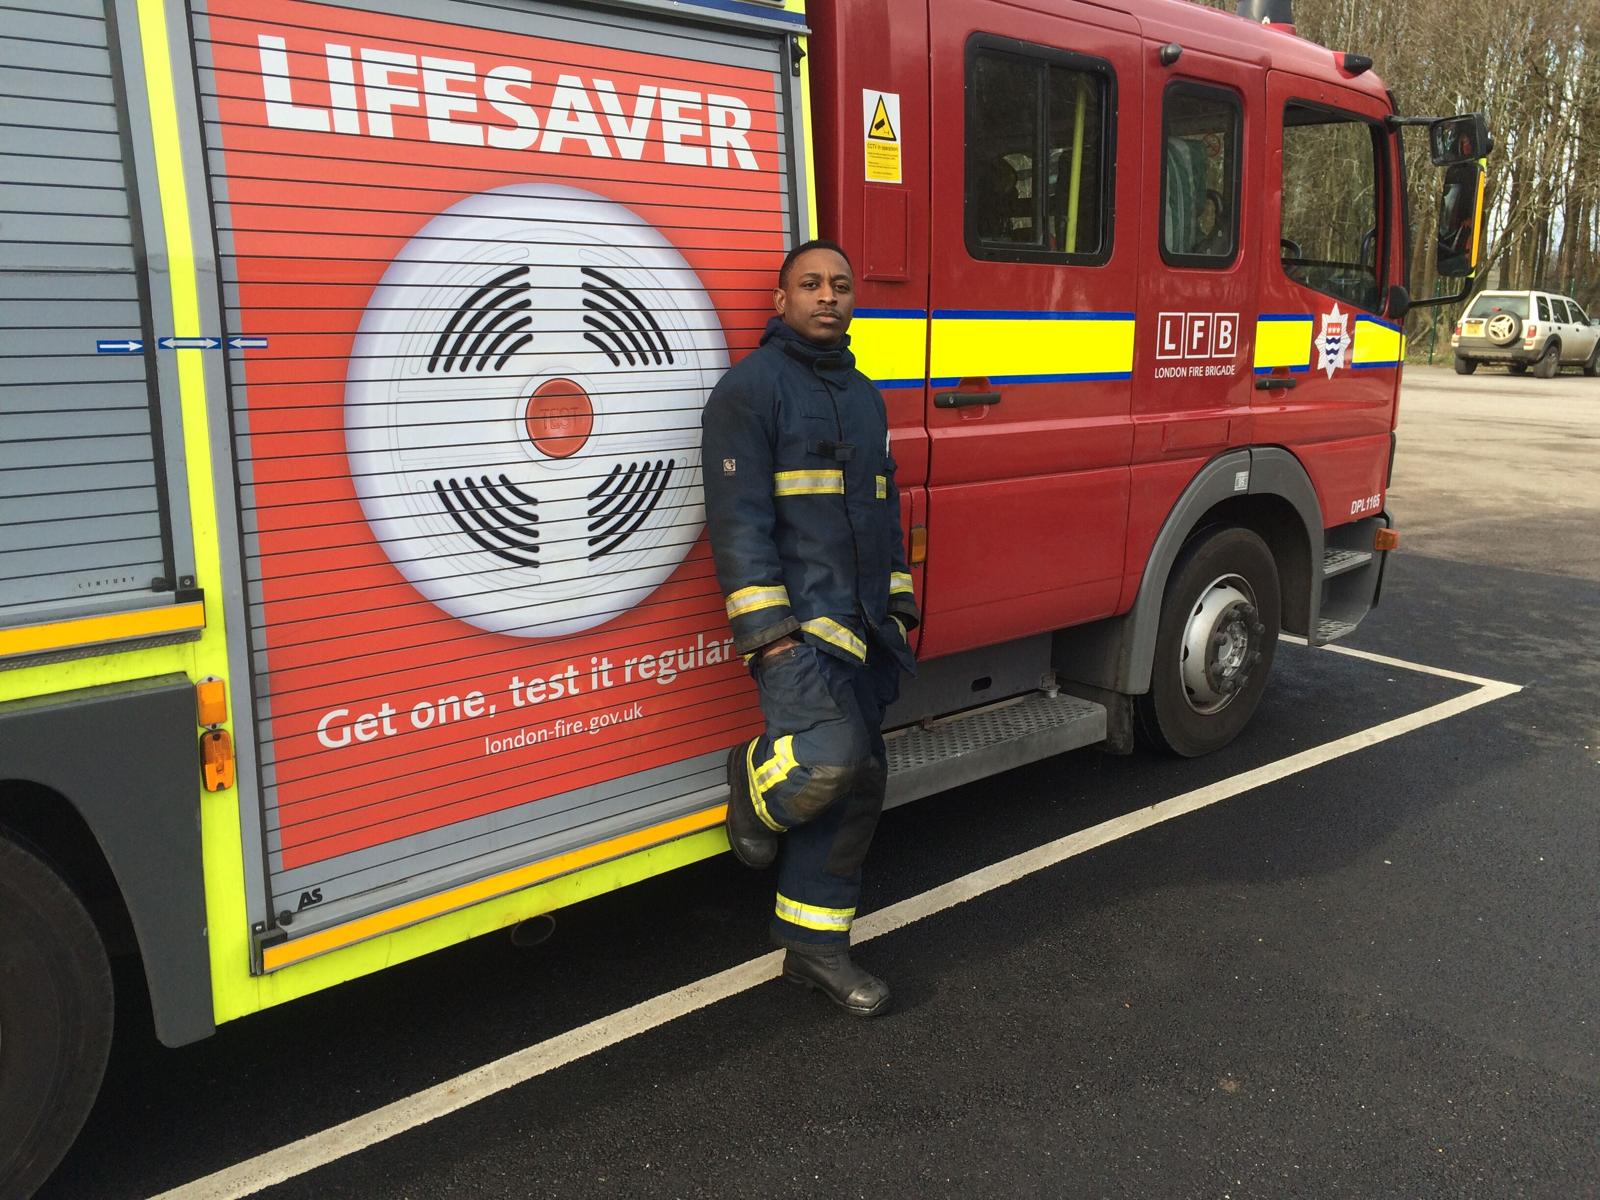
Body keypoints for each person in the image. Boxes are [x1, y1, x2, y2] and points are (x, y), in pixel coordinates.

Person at [701, 239, 919, 1018]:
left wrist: (901, 606)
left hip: (867, 630)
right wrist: (771, 637)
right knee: (826, 762)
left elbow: (886, 512)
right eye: (811, 284)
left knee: (857, 789)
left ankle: (816, 948)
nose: (828, 296)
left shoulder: (864, 394)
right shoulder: (749, 393)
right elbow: (739, 528)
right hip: (799, 632)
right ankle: (752, 782)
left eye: (841, 285)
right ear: (780, 297)